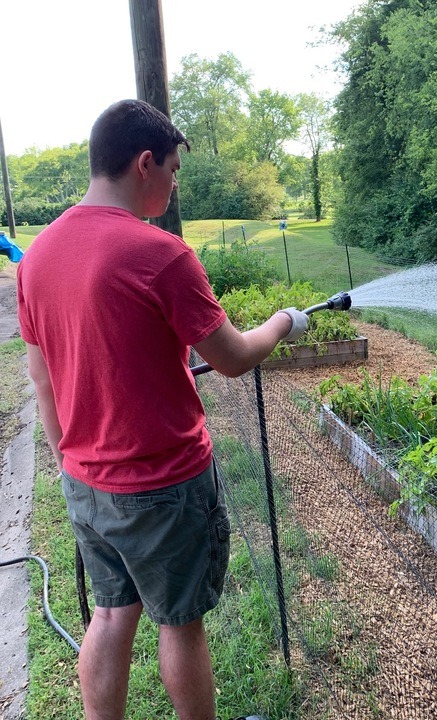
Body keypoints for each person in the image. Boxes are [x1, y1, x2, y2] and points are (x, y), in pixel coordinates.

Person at [16, 99, 308, 720]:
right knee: (179, 624)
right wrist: (282, 323)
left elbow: (40, 373)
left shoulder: (38, 255)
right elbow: (230, 357)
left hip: (86, 484)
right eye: (173, 171)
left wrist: (73, 461)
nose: (175, 187)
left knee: (111, 613)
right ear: (144, 163)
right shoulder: (162, 255)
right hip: (163, 486)